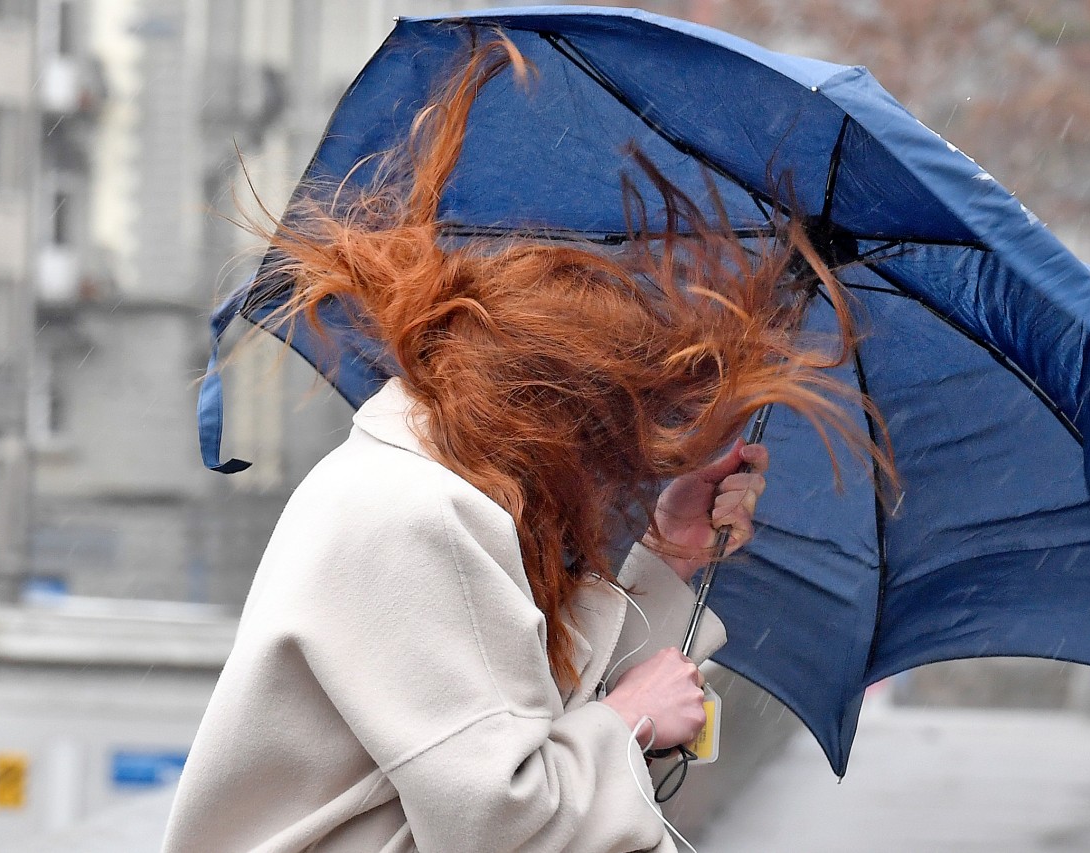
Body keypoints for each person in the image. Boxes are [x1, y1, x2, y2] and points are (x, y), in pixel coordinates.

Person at [163, 37, 881, 853]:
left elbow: (505, 711)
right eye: (622, 442)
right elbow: (503, 821)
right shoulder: (419, 515)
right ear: (560, 420)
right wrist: (630, 720)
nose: (624, 476)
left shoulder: (420, 485)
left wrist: (667, 556)